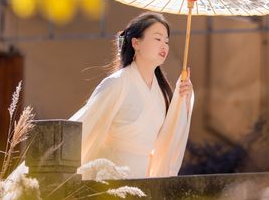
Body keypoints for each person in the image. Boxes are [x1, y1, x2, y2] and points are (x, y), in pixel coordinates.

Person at [70, 12, 194, 179]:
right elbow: (84, 126)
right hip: (111, 177)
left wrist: (183, 101)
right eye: (157, 39)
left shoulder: (162, 93)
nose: (164, 45)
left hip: (144, 177)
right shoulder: (117, 83)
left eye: (166, 41)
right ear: (136, 43)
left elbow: (167, 140)